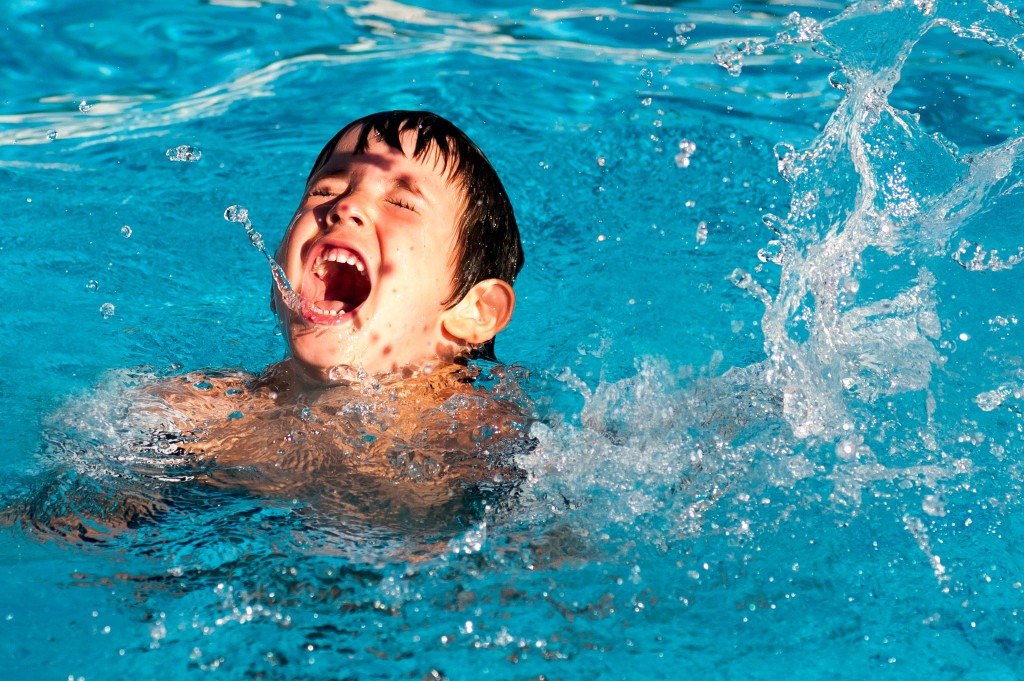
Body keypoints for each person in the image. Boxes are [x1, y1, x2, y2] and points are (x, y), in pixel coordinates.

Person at [7, 111, 530, 543]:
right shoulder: (206, 408)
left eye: (400, 202)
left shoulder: (478, 434)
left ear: (474, 313)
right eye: (324, 191)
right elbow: (67, 513)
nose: (344, 207)